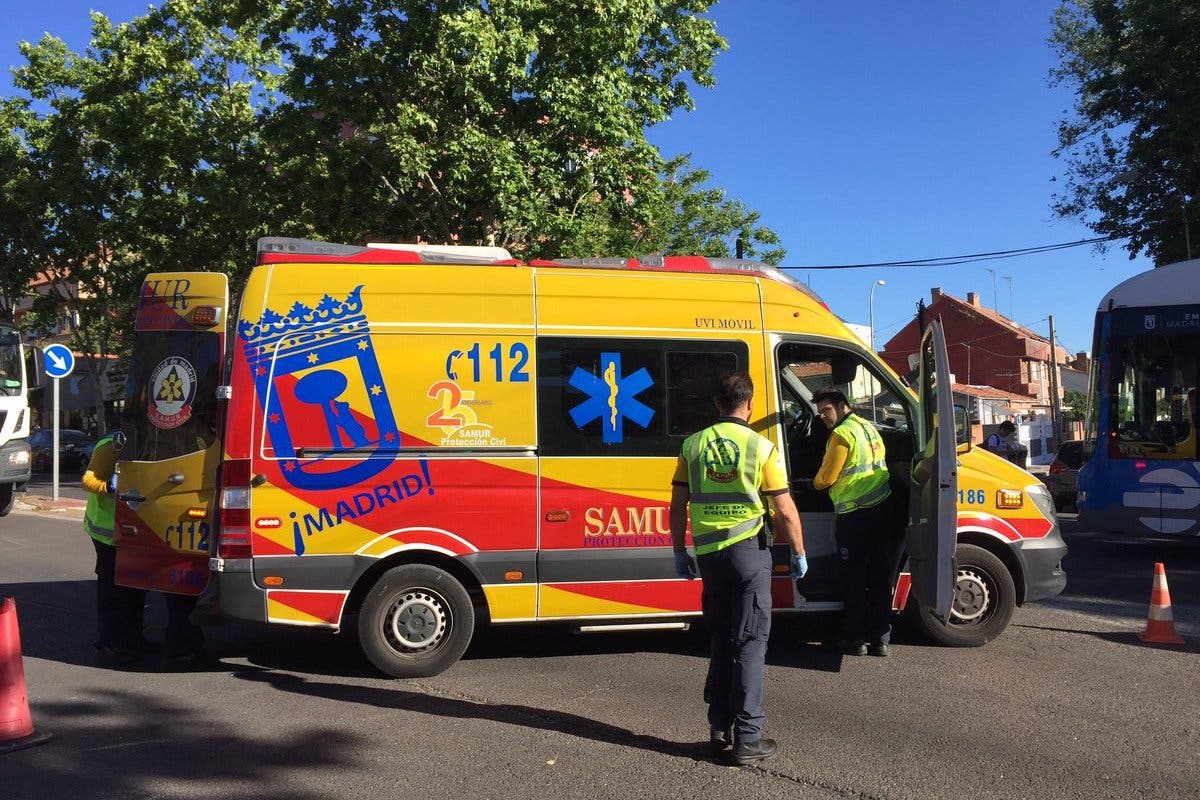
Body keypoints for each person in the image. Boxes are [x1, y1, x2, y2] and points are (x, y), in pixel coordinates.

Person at [669, 370, 805, 765]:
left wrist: (680, 551)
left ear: (716, 404)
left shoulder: (692, 445)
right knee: (750, 642)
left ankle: (719, 727)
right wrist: (797, 551)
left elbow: (678, 505)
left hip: (710, 558)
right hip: (749, 555)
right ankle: (749, 737)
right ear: (750, 405)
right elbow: (783, 508)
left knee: (721, 638)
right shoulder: (761, 447)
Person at [811, 388, 900, 658]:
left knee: (854, 579)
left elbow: (825, 478)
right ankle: (881, 639)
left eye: (827, 410)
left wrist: (812, 483)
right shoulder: (867, 427)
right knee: (879, 577)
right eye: (819, 412)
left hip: (854, 515)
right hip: (881, 509)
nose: (823, 417)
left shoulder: (841, 435)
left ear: (842, 405)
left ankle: (854, 639)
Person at [82, 429, 152, 665]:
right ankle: (107, 644)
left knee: (134, 587)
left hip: (131, 529)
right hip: (106, 532)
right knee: (111, 590)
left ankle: (132, 638)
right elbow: (88, 479)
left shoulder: (149, 439)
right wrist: (110, 488)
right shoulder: (111, 445)